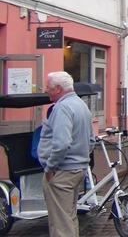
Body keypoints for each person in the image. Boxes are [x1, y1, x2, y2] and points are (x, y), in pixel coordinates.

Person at [38, 71, 94, 237]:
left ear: (58, 88)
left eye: (48, 87)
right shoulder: (80, 104)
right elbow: (91, 140)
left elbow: (61, 143)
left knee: (60, 223)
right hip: (77, 168)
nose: (46, 90)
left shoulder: (62, 107)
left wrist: (50, 168)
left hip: (62, 171)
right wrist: (81, 159)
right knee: (69, 217)